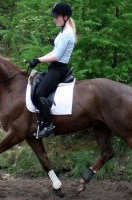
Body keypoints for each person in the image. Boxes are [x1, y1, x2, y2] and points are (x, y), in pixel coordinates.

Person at [29, 2, 77, 139]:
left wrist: (38, 60)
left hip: (59, 69)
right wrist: (37, 59)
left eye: (57, 17)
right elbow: (54, 51)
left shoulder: (67, 34)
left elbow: (56, 56)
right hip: (55, 67)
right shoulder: (63, 31)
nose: (54, 19)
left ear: (66, 17)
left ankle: (48, 124)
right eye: (54, 17)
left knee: (39, 93)